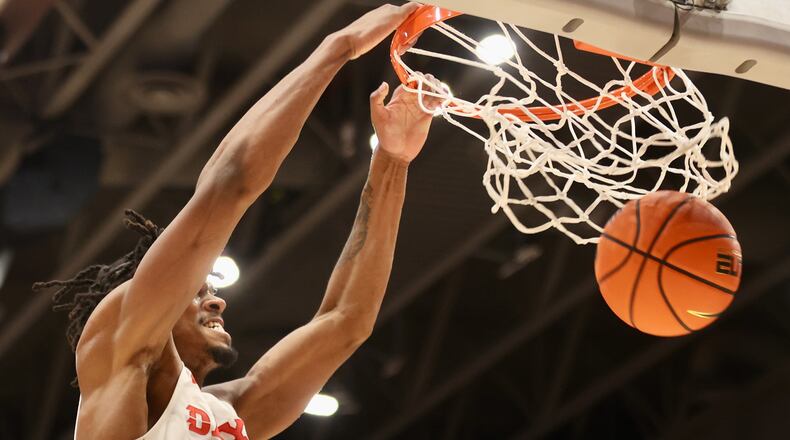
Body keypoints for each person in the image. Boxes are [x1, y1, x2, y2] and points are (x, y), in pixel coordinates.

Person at [33, 3, 440, 439]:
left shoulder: (231, 413)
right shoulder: (122, 351)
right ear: (155, 297)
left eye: (208, 291)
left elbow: (345, 321)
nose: (216, 302)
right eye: (197, 291)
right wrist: (334, 50)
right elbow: (228, 186)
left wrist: (393, 160)